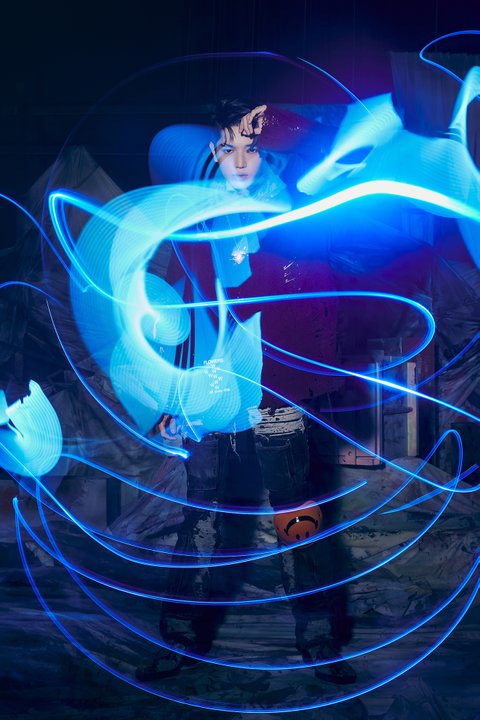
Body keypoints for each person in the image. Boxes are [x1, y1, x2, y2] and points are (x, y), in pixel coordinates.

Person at [137, 99, 356, 685]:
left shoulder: (293, 217)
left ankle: (318, 639)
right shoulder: (193, 221)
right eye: (226, 148)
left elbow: (317, 301)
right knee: (202, 511)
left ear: (268, 153)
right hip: (210, 393)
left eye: (251, 148)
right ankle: (179, 638)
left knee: (295, 509)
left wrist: (309, 384)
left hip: (276, 393)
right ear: (211, 153)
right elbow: (186, 310)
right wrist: (175, 397)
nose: (238, 161)